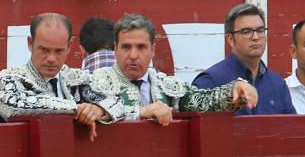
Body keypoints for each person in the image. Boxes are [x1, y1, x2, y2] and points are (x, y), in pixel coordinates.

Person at [91, 13, 257, 125]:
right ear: (115, 48)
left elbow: (204, 101)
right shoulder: (94, 83)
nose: (133, 55)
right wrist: (141, 112)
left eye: (141, 47)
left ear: (153, 50)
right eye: (126, 47)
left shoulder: (166, 86)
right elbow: (86, 111)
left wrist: (235, 87)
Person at [0, 13, 125, 140]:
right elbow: (17, 107)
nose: (51, 58)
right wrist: (78, 109)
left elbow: (119, 103)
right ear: (30, 44)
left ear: (69, 46)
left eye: (58, 51)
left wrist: (99, 110)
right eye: (44, 50)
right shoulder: (8, 79)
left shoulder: (77, 78)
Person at [193, 3, 296, 115]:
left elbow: (292, 129)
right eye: (246, 32)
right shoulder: (212, 80)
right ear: (231, 39)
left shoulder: (277, 84)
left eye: (260, 30)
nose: (255, 37)